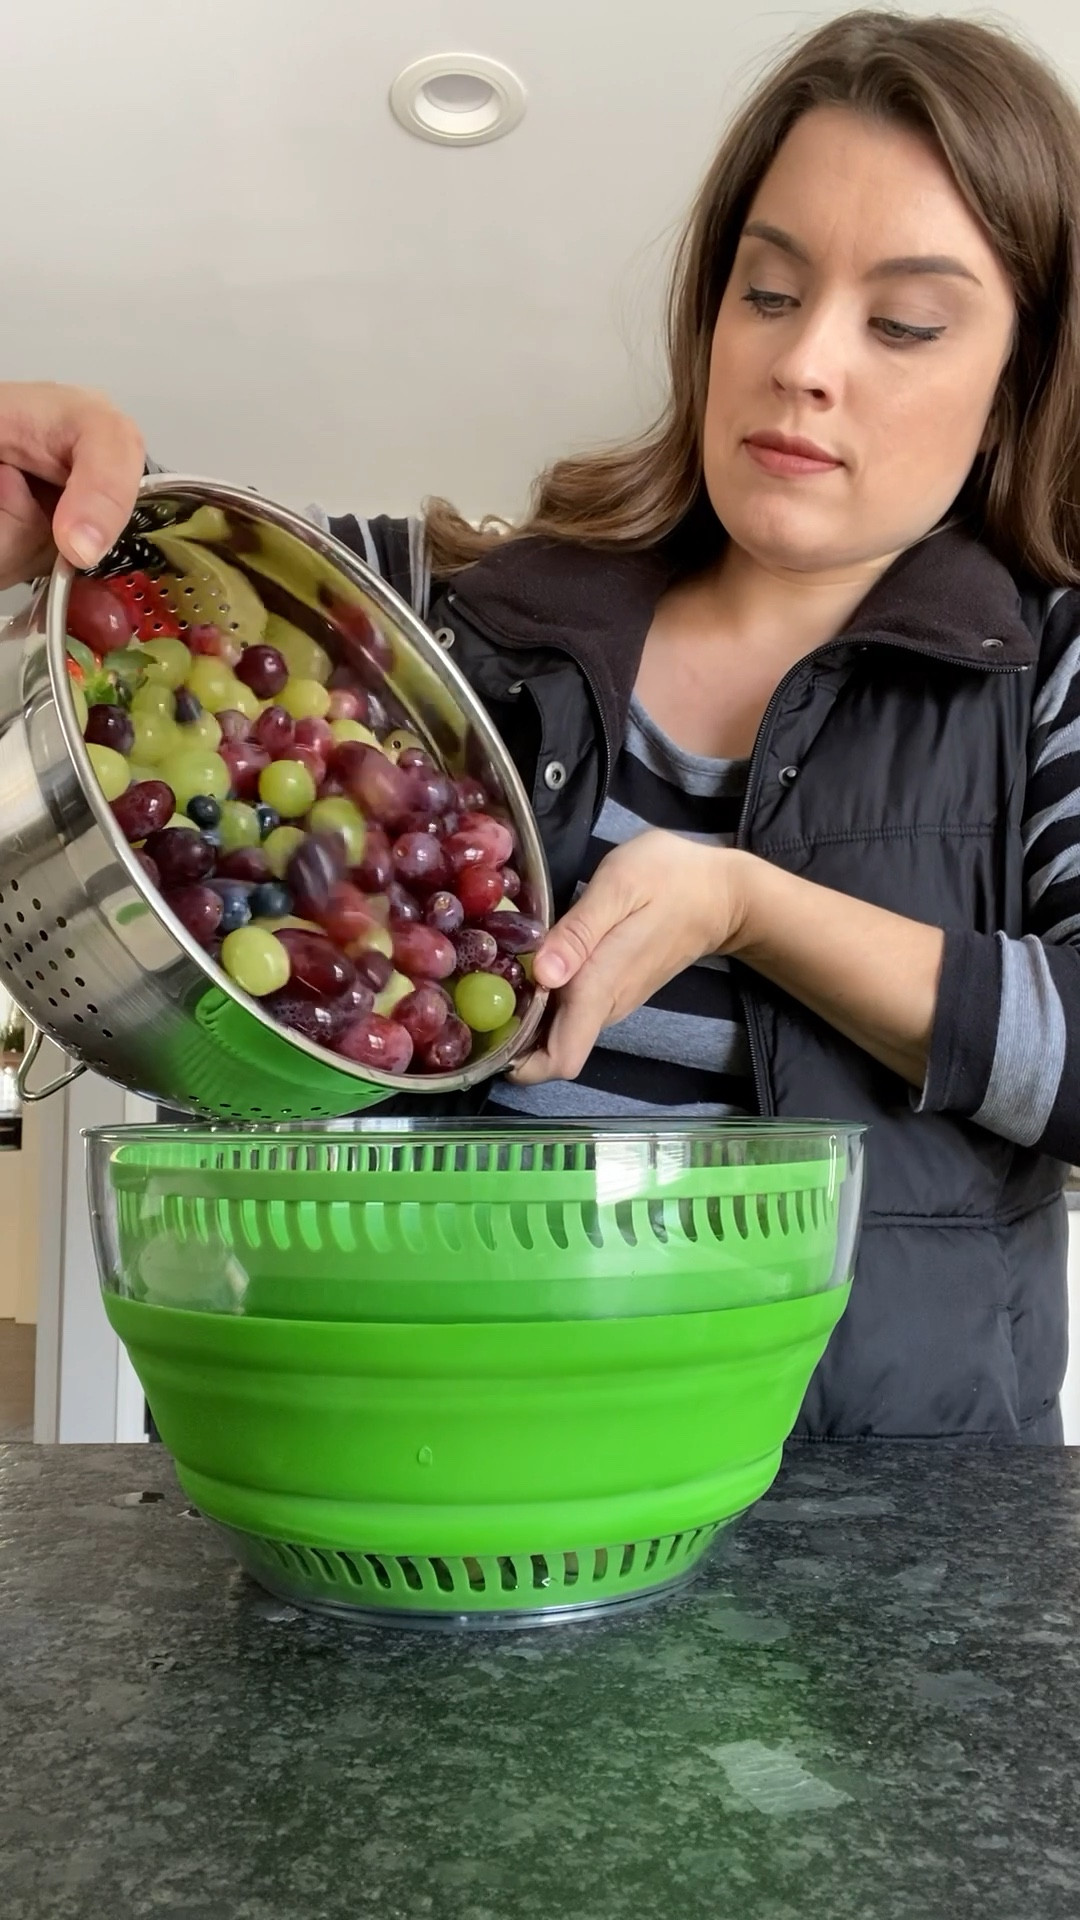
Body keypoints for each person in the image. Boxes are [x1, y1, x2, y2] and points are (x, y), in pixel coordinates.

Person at [3, 9, 1080, 1442]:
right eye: (767, 293)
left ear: (1020, 375)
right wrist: (55, 520)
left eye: (904, 323)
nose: (806, 361)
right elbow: (163, 622)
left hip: (868, 1567)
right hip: (417, 1486)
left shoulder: (1044, 666)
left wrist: (751, 909)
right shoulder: (439, 618)